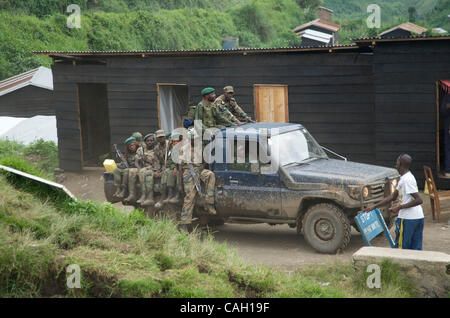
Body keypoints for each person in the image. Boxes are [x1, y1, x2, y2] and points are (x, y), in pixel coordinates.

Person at [361, 154, 424, 250]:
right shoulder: (404, 178)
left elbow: (419, 200)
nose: (396, 164)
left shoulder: (407, 180)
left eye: (397, 162)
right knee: (415, 249)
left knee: (401, 249)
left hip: (408, 219)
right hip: (417, 217)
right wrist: (374, 207)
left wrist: (399, 207)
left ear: (400, 164)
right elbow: (393, 197)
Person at [178, 129, 216, 232]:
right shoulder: (184, 149)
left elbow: (204, 162)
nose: (194, 140)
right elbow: (180, 167)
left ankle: (209, 203)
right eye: (192, 138)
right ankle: (184, 224)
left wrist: (201, 168)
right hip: (188, 173)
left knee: (210, 175)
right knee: (190, 198)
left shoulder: (201, 147)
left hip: (199, 170)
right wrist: (180, 184)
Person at [135, 133, 161, 206]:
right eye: (148, 141)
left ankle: (147, 196)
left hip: (154, 169)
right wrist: (139, 168)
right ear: (145, 142)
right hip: (144, 168)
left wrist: (147, 160)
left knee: (146, 173)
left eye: (151, 140)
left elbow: (159, 163)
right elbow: (136, 162)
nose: (149, 142)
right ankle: (144, 195)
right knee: (143, 172)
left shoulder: (157, 150)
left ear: (154, 141)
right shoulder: (141, 150)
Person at [159, 132, 183, 206]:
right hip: (175, 167)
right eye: (173, 141)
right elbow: (171, 160)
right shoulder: (172, 149)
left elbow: (181, 162)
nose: (175, 142)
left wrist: (176, 168)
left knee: (174, 173)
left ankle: (177, 195)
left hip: (182, 168)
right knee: (167, 172)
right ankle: (168, 194)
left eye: (177, 141)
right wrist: (174, 167)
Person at [441, 94, 450, 176]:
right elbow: (442, 112)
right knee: (448, 148)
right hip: (448, 129)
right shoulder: (447, 97)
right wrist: (447, 107)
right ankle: (448, 170)